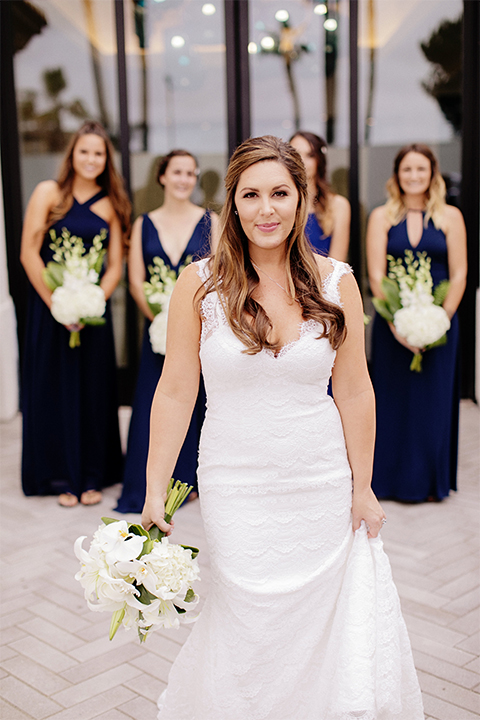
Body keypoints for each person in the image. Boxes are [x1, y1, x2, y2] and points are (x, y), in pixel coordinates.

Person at [142, 135, 424, 719]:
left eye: (279, 193)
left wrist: (364, 487)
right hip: (233, 483)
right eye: (251, 195)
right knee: (245, 624)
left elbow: (353, 390)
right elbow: (174, 391)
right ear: (231, 204)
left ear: (301, 199)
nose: (265, 209)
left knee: (319, 625)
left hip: (318, 482)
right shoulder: (198, 286)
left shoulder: (335, 281)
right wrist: (154, 492)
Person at [20, 120, 130, 507]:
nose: (91, 159)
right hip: (51, 311)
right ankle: (62, 476)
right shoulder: (49, 193)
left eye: (98, 153)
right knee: (55, 389)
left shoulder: (112, 202)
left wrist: (92, 300)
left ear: (106, 159)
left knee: (93, 391)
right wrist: (57, 303)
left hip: (93, 317)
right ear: (73, 155)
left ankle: (93, 476)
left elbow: (116, 263)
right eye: (84, 151)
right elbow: (28, 252)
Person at [115, 150, 218, 514]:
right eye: (177, 172)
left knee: (197, 401)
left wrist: (190, 320)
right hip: (155, 327)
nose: (184, 179)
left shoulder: (211, 221)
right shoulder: (144, 223)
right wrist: (161, 318)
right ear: (162, 176)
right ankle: (149, 484)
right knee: (153, 402)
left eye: (191, 173)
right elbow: (137, 280)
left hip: (200, 329)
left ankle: (191, 479)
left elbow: (220, 276)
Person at [367, 143, 467, 502]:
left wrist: (439, 320)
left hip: (441, 325)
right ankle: (389, 481)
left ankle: (429, 483)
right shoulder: (381, 217)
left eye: (421, 169)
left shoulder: (450, 217)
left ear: (432, 174)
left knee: (432, 404)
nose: (414, 176)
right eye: (407, 169)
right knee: (391, 404)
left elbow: (458, 275)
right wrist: (398, 323)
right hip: (391, 324)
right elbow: (376, 275)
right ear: (397, 175)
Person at [290, 130, 350, 260]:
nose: (302, 161)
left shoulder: (338, 205)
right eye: (295, 154)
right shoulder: (277, 204)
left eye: (310, 155)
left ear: (319, 160)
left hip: (324, 278)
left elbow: (337, 265)